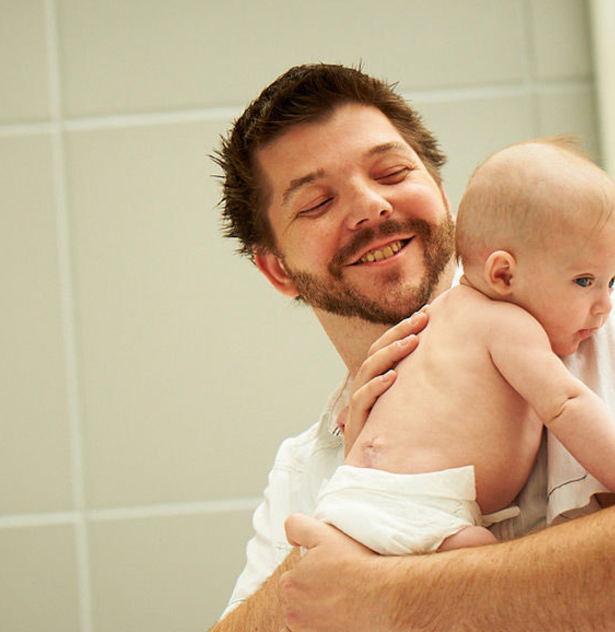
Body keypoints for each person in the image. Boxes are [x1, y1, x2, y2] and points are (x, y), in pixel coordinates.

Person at [210, 63, 615, 631]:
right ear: (279, 270)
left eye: (393, 171)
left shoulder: (598, 325)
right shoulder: (306, 471)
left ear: (445, 197)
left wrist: (389, 593)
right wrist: (350, 518)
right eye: (317, 202)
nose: (371, 205)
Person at [315, 138, 615, 557]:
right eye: (585, 281)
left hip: (347, 497)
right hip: (420, 507)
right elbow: (566, 404)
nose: (603, 305)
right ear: (504, 275)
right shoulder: (506, 324)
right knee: (484, 566)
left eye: (611, 282)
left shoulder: (438, 318)